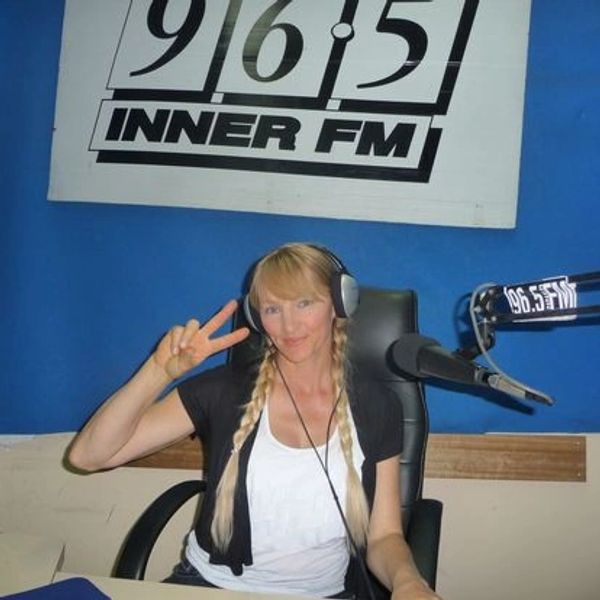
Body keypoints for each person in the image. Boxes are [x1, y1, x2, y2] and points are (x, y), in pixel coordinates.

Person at [68, 242, 441, 600]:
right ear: (257, 315)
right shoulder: (224, 391)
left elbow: (383, 536)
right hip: (211, 587)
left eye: (304, 303)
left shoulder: (377, 406)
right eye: (273, 309)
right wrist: (158, 371)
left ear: (339, 304)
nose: (289, 325)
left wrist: (409, 583)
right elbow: (89, 456)